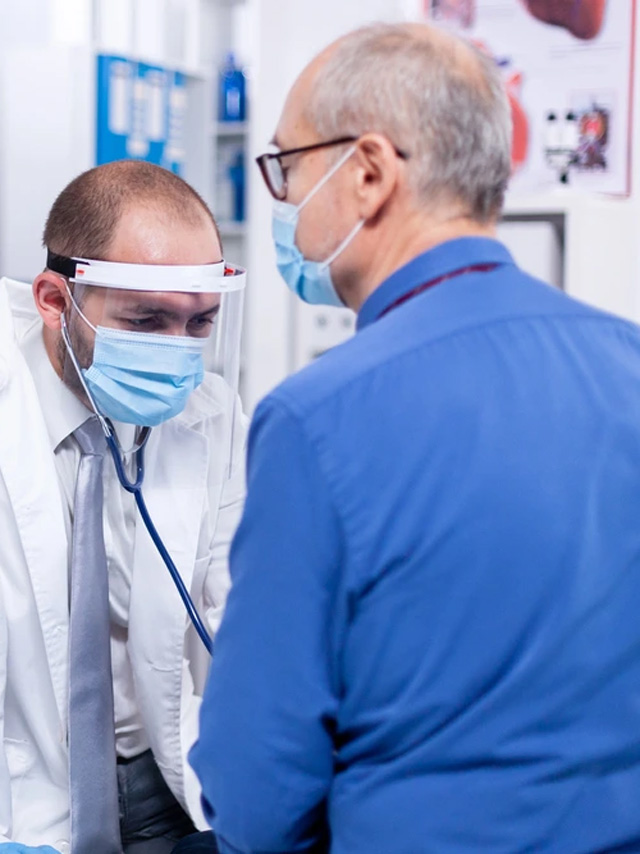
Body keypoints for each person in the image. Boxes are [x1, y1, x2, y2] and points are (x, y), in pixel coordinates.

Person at [191, 22, 640, 853]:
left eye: (287, 168)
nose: (283, 202)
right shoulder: (629, 363)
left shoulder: (316, 419)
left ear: (367, 172)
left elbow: (257, 787)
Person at [0, 160, 247, 854]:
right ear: (55, 300)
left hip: (165, 784)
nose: (178, 356)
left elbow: (235, 614)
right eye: (147, 320)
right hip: (7, 800)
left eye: (200, 325)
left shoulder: (205, 413)